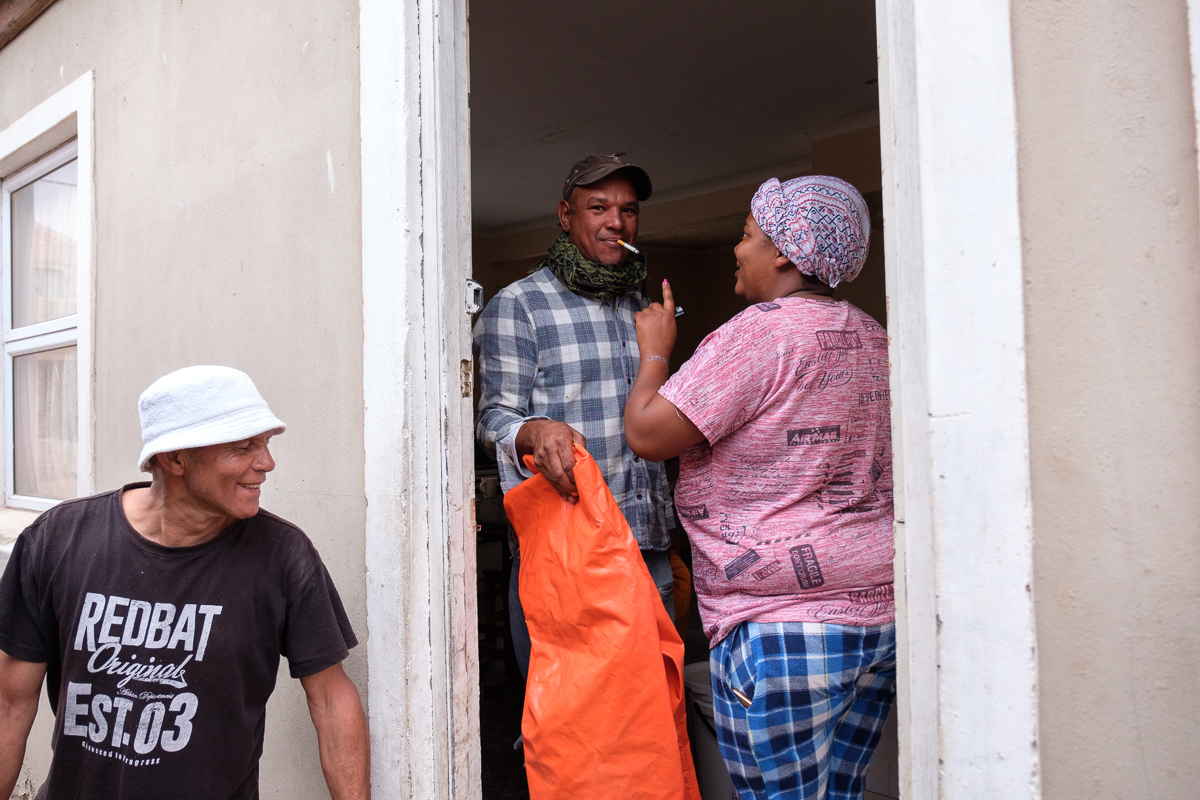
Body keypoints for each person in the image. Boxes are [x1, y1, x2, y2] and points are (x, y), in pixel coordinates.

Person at [624, 176, 895, 800]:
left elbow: (647, 433)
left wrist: (655, 352)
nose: (737, 249)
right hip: (880, 619)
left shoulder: (759, 334)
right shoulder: (874, 335)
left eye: (747, 235)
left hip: (783, 629)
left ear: (782, 253)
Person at [0, 366, 369, 800]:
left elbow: (330, 700)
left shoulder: (282, 556)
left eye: (266, 443)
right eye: (243, 446)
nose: (266, 463)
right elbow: (10, 703)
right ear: (175, 459)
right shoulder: (58, 539)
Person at [474, 153, 678, 677]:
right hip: (567, 553)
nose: (616, 221)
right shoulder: (518, 305)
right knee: (569, 736)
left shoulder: (646, 309)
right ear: (566, 215)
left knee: (656, 724)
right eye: (598, 207)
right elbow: (492, 418)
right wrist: (535, 430)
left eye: (628, 211)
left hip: (646, 547)